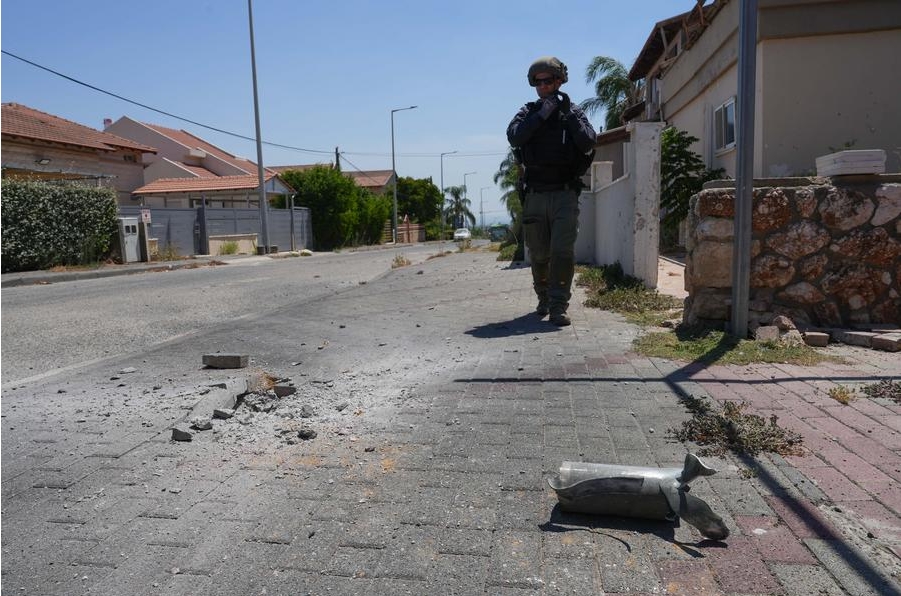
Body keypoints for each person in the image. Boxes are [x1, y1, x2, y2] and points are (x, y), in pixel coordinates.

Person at [507, 56, 597, 326]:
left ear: (559, 81)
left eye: (548, 80)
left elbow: (588, 141)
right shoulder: (528, 111)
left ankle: (558, 305)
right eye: (538, 81)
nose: (543, 86)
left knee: (562, 251)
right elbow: (514, 135)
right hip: (535, 194)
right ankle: (543, 298)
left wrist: (567, 115)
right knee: (539, 253)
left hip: (564, 194)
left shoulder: (573, 112)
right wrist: (540, 116)